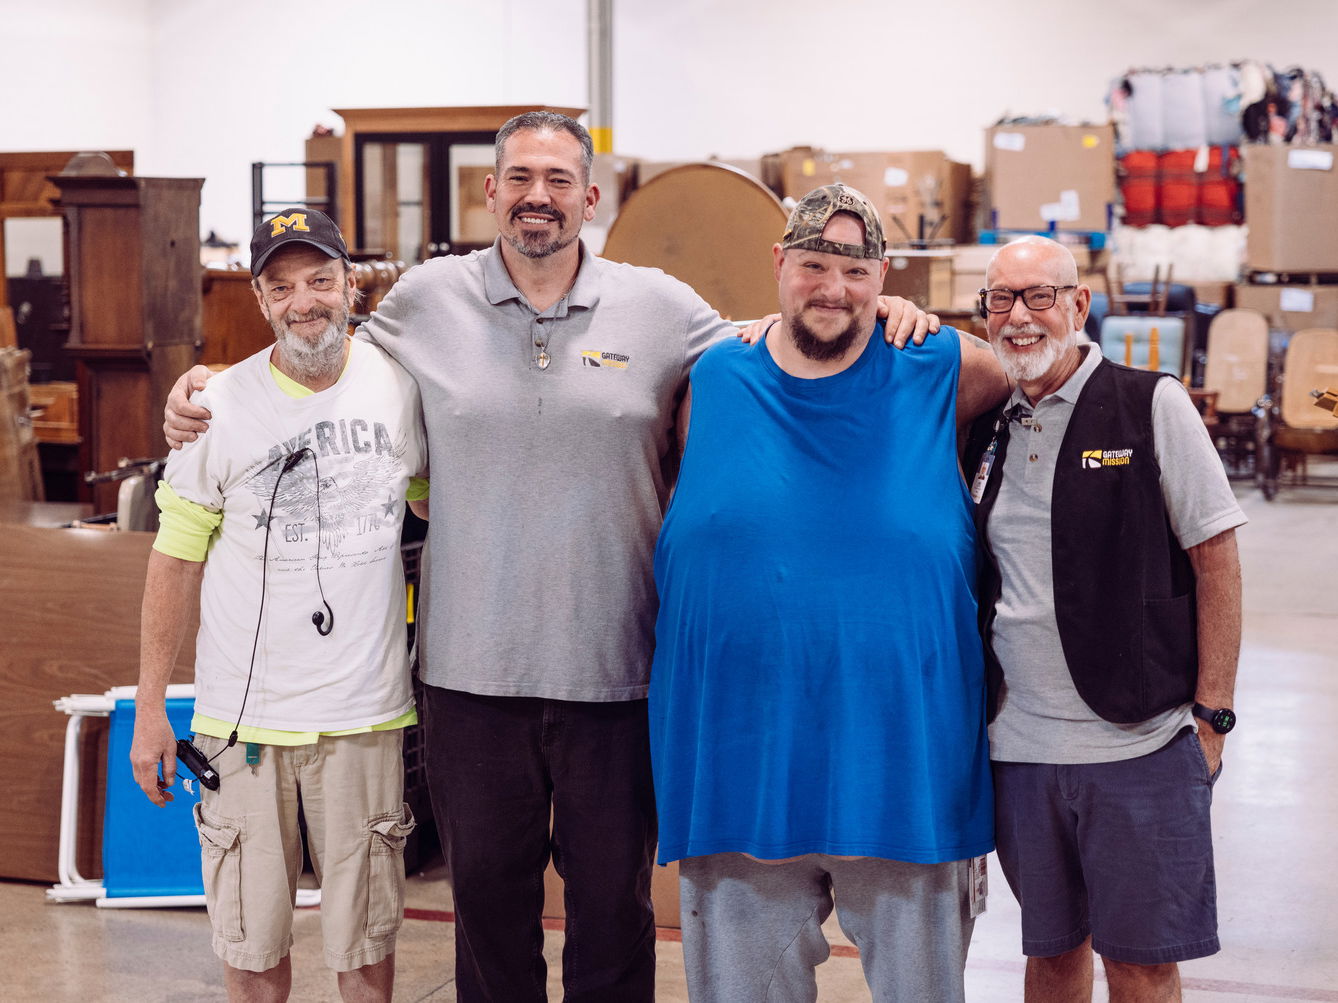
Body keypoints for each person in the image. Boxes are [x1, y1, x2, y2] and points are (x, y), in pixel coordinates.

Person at [162, 112, 936, 1002]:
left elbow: (783, 346)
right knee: (489, 917)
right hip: (468, 681)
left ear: (590, 199)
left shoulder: (659, 307)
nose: (539, 195)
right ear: (491, 192)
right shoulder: (424, 299)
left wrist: (884, 307)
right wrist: (207, 387)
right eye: (521, 177)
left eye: (560, 179)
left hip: (618, 677)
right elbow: (313, 358)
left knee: (612, 917)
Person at [648, 184, 1010, 1002]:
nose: (833, 289)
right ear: (779, 263)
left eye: (856, 271)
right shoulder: (712, 378)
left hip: (904, 763)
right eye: (813, 265)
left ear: (883, 277)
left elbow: (1045, 383)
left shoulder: (945, 366)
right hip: (739, 762)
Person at [132, 208, 428, 1003]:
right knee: (250, 946)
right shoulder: (215, 407)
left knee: (364, 945)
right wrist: (151, 708)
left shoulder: (401, 391)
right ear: (260, 300)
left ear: (351, 285)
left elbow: (440, 508)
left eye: (321, 280)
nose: (306, 301)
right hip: (239, 727)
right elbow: (174, 562)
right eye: (282, 286)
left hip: (364, 717)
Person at [966, 235, 1245, 1002]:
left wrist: (1213, 715)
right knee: (1051, 955)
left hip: (1138, 744)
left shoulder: (1149, 401)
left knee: (1142, 963)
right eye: (1000, 298)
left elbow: (1215, 556)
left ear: (1079, 304)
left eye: (1039, 295)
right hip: (1018, 750)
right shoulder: (985, 422)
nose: (1019, 316)